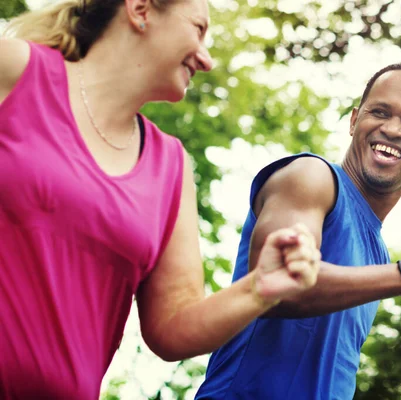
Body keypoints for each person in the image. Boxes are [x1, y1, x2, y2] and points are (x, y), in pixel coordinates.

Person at [0, 0, 321, 398]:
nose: (206, 61)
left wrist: (258, 289)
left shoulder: (170, 166)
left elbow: (172, 329)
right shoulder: (15, 70)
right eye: (198, 30)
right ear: (140, 10)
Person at [194, 63, 401, 400]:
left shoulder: (377, 254)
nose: (393, 129)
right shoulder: (311, 177)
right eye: (380, 112)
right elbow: (275, 284)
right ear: (355, 120)